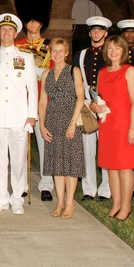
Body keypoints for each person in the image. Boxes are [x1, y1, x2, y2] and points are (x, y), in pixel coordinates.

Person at [0, 13, 39, 215]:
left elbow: (32, 88)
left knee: (19, 160)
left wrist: (31, 115)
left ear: (15, 34)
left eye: (10, 30)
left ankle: (17, 199)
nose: (6, 32)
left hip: (19, 118)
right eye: (3, 29)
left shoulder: (26, 57)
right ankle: (2, 197)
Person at [92, 35, 134, 220]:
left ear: (123, 50)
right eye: (110, 48)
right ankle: (116, 203)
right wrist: (94, 107)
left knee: (124, 166)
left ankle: (126, 206)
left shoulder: (129, 71)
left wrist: (133, 128)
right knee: (110, 166)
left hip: (124, 124)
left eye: (117, 48)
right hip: (107, 124)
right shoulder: (102, 72)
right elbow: (98, 98)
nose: (113, 52)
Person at [38, 38, 85, 219]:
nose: (57, 54)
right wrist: (42, 125)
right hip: (52, 121)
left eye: (60, 50)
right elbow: (43, 102)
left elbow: (80, 98)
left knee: (70, 164)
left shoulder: (74, 71)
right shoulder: (46, 74)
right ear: (50, 53)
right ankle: (59, 202)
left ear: (66, 53)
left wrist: (72, 124)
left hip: (70, 120)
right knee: (57, 164)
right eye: (54, 50)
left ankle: (70, 203)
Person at [15, 16, 54, 202]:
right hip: (22, 101)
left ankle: (46, 185)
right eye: (29, 20)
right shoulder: (17, 46)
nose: (32, 24)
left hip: (43, 101)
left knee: (46, 144)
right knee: (20, 145)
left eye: (36, 20)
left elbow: (54, 73)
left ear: (41, 23)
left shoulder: (49, 46)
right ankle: (21, 184)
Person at [77, 16, 111, 201]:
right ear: (89, 33)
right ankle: (89, 189)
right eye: (93, 30)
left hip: (107, 108)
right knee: (87, 150)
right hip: (87, 107)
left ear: (106, 33)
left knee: (106, 148)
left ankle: (106, 189)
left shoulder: (112, 53)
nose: (96, 33)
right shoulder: (81, 55)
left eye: (100, 30)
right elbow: (76, 83)